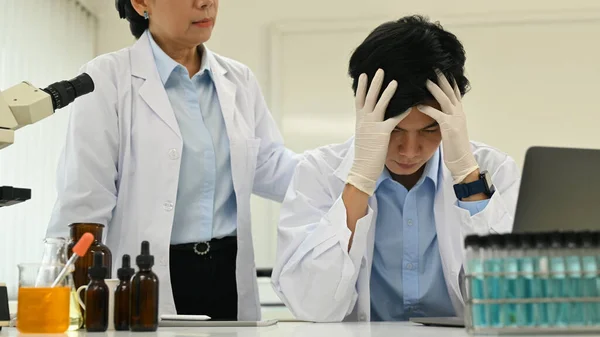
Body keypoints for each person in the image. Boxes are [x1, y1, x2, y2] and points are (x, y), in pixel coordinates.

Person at [45, 0, 300, 321]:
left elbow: (269, 165)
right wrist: (58, 289)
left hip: (227, 273)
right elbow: (84, 200)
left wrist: (354, 169)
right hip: (146, 275)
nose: (205, 3)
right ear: (141, 3)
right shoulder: (106, 77)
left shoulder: (239, 80)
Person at [271, 15, 520, 322]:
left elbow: (510, 301)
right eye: (394, 131)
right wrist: (360, 182)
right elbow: (313, 306)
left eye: (430, 130)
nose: (410, 151)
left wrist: (467, 177)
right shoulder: (318, 172)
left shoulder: (494, 170)